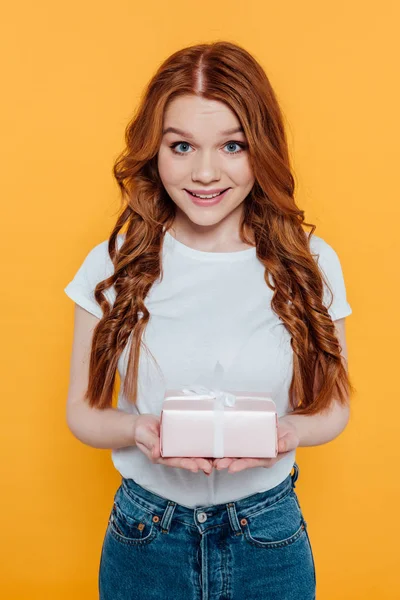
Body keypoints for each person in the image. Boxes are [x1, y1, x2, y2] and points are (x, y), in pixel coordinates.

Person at [64, 40, 354, 600]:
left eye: (232, 145)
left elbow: (334, 406)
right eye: (182, 146)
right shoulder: (115, 261)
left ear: (261, 150)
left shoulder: (311, 264)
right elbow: (81, 412)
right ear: (155, 150)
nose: (204, 172)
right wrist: (138, 431)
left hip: (267, 536)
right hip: (145, 537)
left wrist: (287, 434)